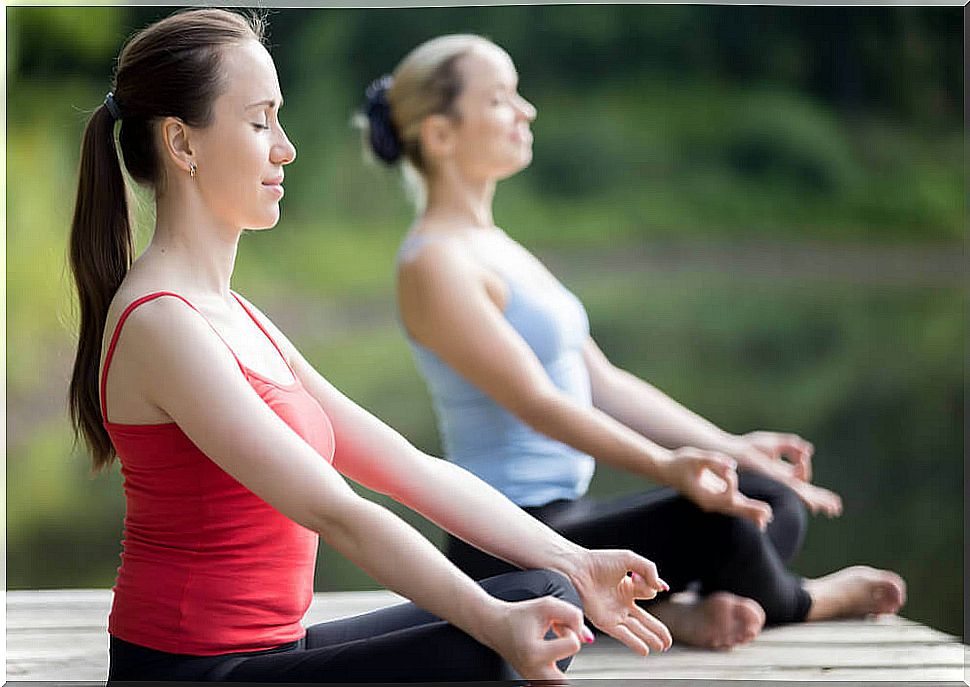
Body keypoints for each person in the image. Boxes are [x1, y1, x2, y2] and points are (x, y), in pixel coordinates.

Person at [68, 10, 676, 682]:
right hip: (195, 672)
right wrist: (489, 619)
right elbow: (338, 511)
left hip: (274, 654)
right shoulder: (163, 324)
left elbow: (407, 467)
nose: (285, 148)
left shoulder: (236, 314)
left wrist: (572, 558)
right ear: (182, 144)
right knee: (493, 637)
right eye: (259, 120)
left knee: (546, 593)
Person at [360, 34, 907, 650]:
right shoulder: (434, 264)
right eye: (500, 99)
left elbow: (605, 384)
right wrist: (667, 467)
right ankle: (802, 599)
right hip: (507, 543)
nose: (525, 111)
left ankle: (669, 610)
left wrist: (729, 450)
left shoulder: (498, 247)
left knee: (768, 496)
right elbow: (539, 403)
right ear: (439, 135)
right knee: (728, 529)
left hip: (572, 512)